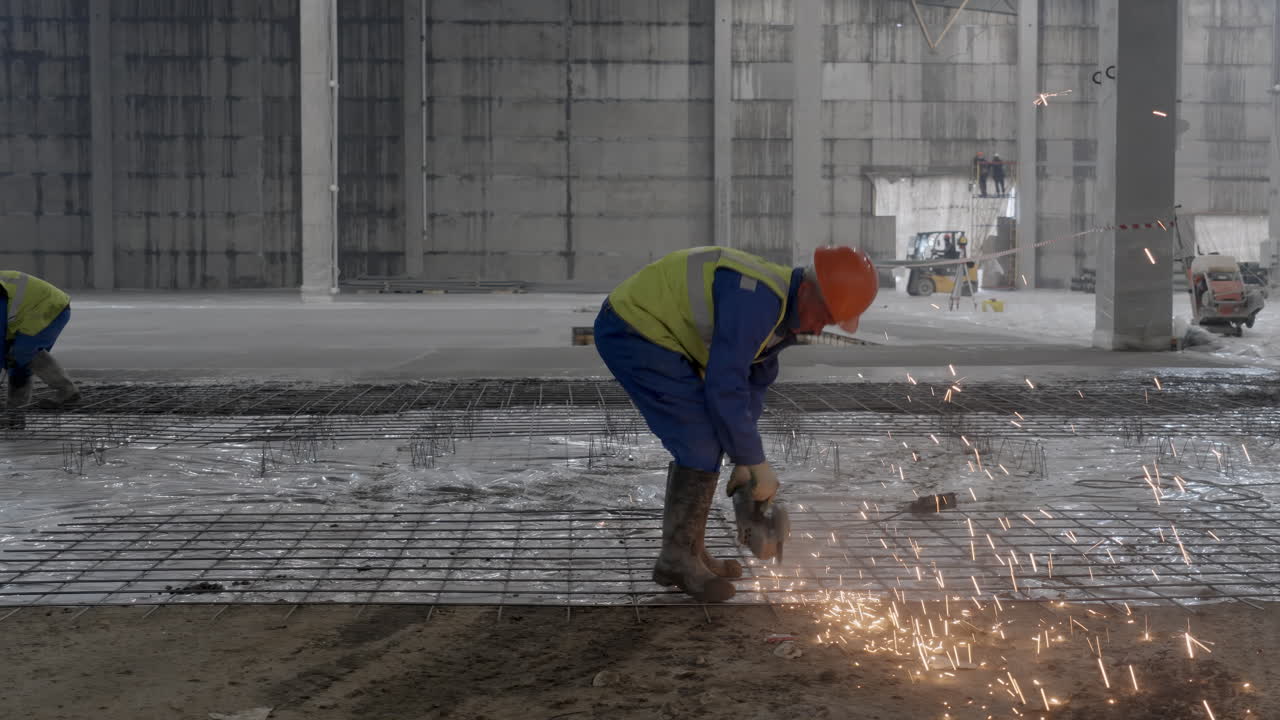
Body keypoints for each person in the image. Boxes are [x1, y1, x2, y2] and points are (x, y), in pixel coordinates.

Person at [594, 246, 878, 602]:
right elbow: (724, 385)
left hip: (660, 335)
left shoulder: (782, 318)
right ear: (807, 289)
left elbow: (751, 387)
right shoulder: (756, 301)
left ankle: (688, 552)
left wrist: (745, 461)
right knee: (697, 442)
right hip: (634, 328)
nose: (820, 327)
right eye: (823, 315)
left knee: (709, 439)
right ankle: (676, 558)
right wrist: (754, 459)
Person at [2, 271, 81, 417]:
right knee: (19, 360)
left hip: (48, 306)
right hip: (29, 313)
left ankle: (66, 390)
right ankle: (15, 417)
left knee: (22, 353)